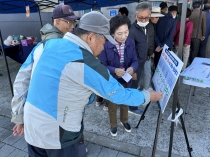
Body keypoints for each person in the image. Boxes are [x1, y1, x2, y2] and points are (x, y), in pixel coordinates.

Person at [11, 11, 163, 157]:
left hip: (31, 128)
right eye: (103, 41)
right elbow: (118, 94)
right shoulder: (87, 63)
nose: (103, 47)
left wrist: (18, 116)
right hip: (60, 137)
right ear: (91, 37)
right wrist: (146, 95)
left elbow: (21, 80)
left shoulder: (45, 45)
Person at [100, 15, 138, 136]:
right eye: (119, 33)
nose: (123, 36)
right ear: (112, 33)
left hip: (126, 78)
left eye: (126, 32)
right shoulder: (105, 45)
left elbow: (135, 60)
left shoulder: (130, 42)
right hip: (112, 79)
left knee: (125, 101)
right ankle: (113, 124)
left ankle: (124, 120)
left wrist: (133, 67)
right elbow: (101, 65)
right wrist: (114, 70)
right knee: (112, 103)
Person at [128, 2, 152, 116]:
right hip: (135, 64)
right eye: (141, 17)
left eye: (146, 17)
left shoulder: (147, 27)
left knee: (136, 84)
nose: (143, 20)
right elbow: (130, 52)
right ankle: (131, 107)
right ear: (135, 16)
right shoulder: (132, 31)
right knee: (134, 85)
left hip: (142, 61)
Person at [141, 6, 164, 91]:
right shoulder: (149, 26)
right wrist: (151, 52)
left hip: (143, 52)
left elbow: (153, 38)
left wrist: (158, 45)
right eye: (156, 17)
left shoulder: (149, 25)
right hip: (145, 53)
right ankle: (146, 89)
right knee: (147, 71)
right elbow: (149, 42)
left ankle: (143, 87)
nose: (158, 19)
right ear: (150, 16)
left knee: (145, 71)